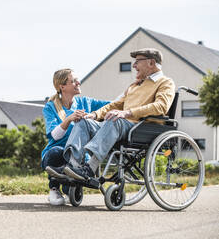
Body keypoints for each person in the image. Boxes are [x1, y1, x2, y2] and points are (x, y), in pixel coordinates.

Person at [47, 48, 175, 181]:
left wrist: (127, 112)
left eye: (137, 61)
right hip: (120, 125)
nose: (134, 65)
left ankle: (90, 168)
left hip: (141, 127)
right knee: (84, 121)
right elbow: (115, 105)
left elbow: (161, 106)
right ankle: (72, 166)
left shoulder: (165, 82)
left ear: (151, 62)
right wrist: (95, 115)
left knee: (115, 118)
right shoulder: (135, 85)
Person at [42, 68, 109, 205]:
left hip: (80, 155)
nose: (78, 82)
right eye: (73, 81)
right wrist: (68, 119)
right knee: (56, 152)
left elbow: (112, 104)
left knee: (74, 173)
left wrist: (129, 94)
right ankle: (54, 189)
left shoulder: (86, 102)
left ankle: (69, 190)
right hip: (57, 153)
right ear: (62, 87)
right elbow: (54, 136)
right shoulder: (50, 107)